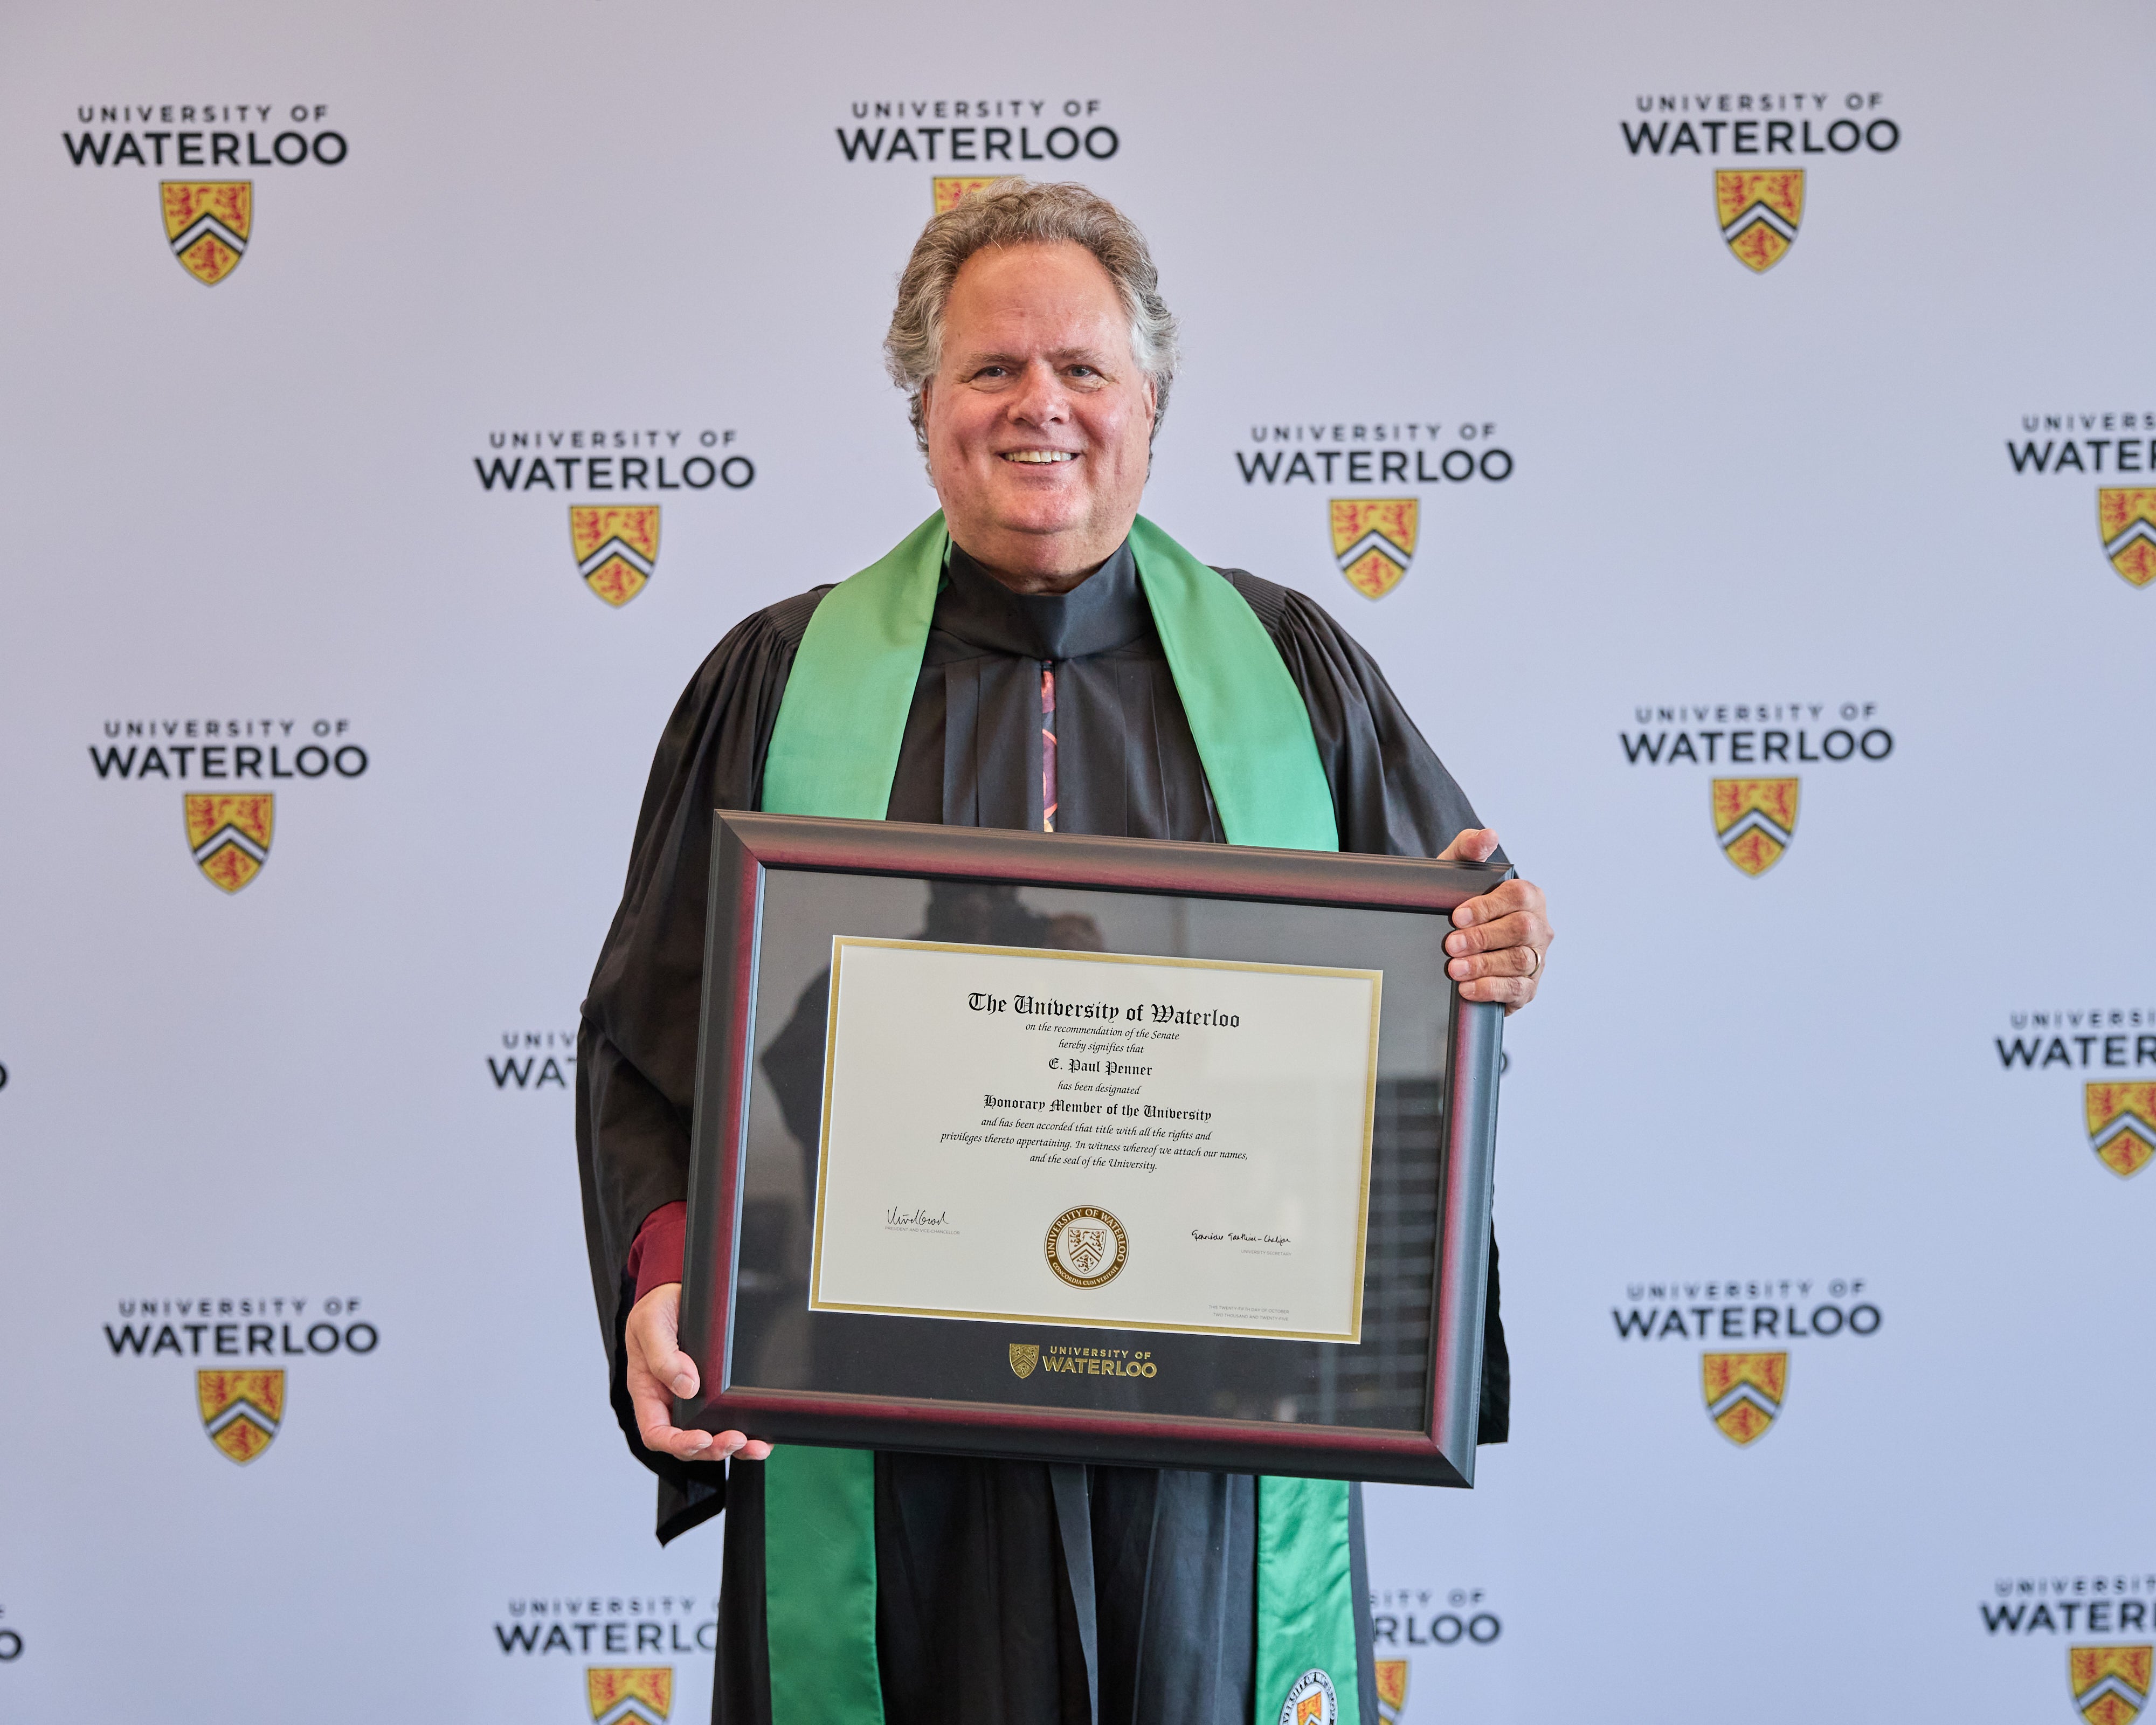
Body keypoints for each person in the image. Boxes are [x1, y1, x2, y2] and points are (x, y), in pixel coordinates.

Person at [576, 177, 1553, 1725]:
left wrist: (1496, 943)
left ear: (1153, 403)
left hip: (1209, 1471)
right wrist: (668, 1279)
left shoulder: (1294, 675)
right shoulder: (773, 685)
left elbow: (1433, 980)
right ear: (924, 409)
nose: (1043, 406)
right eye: (991, 369)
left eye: (1085, 369)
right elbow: (652, 1042)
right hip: (884, 1460)